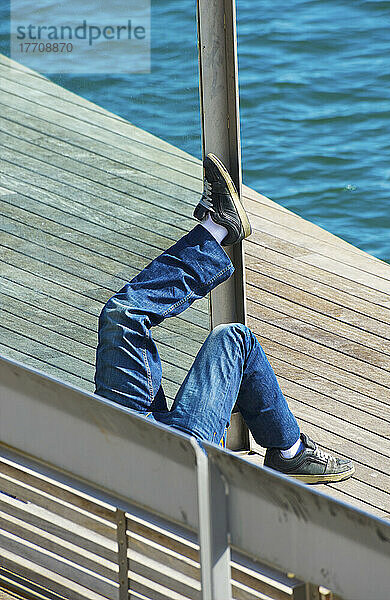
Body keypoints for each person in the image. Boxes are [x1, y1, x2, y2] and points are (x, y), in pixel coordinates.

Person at [95, 153, 354, 484]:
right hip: (178, 463)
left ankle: (216, 227)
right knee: (235, 339)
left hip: (120, 443)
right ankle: (290, 452)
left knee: (122, 315)